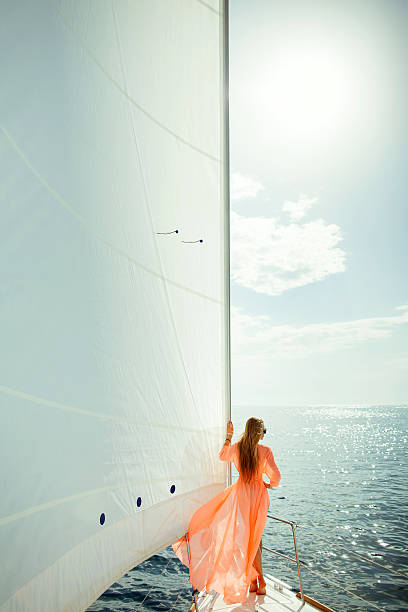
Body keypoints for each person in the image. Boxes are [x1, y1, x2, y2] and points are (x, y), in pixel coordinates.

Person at [172, 417, 281, 605]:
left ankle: (255, 580)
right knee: (255, 538)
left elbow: (222, 455)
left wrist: (229, 437)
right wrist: (268, 484)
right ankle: (259, 580)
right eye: (264, 431)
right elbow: (277, 477)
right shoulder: (265, 451)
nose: (264, 435)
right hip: (259, 496)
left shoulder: (238, 448)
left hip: (241, 495)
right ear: (259, 433)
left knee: (249, 538)